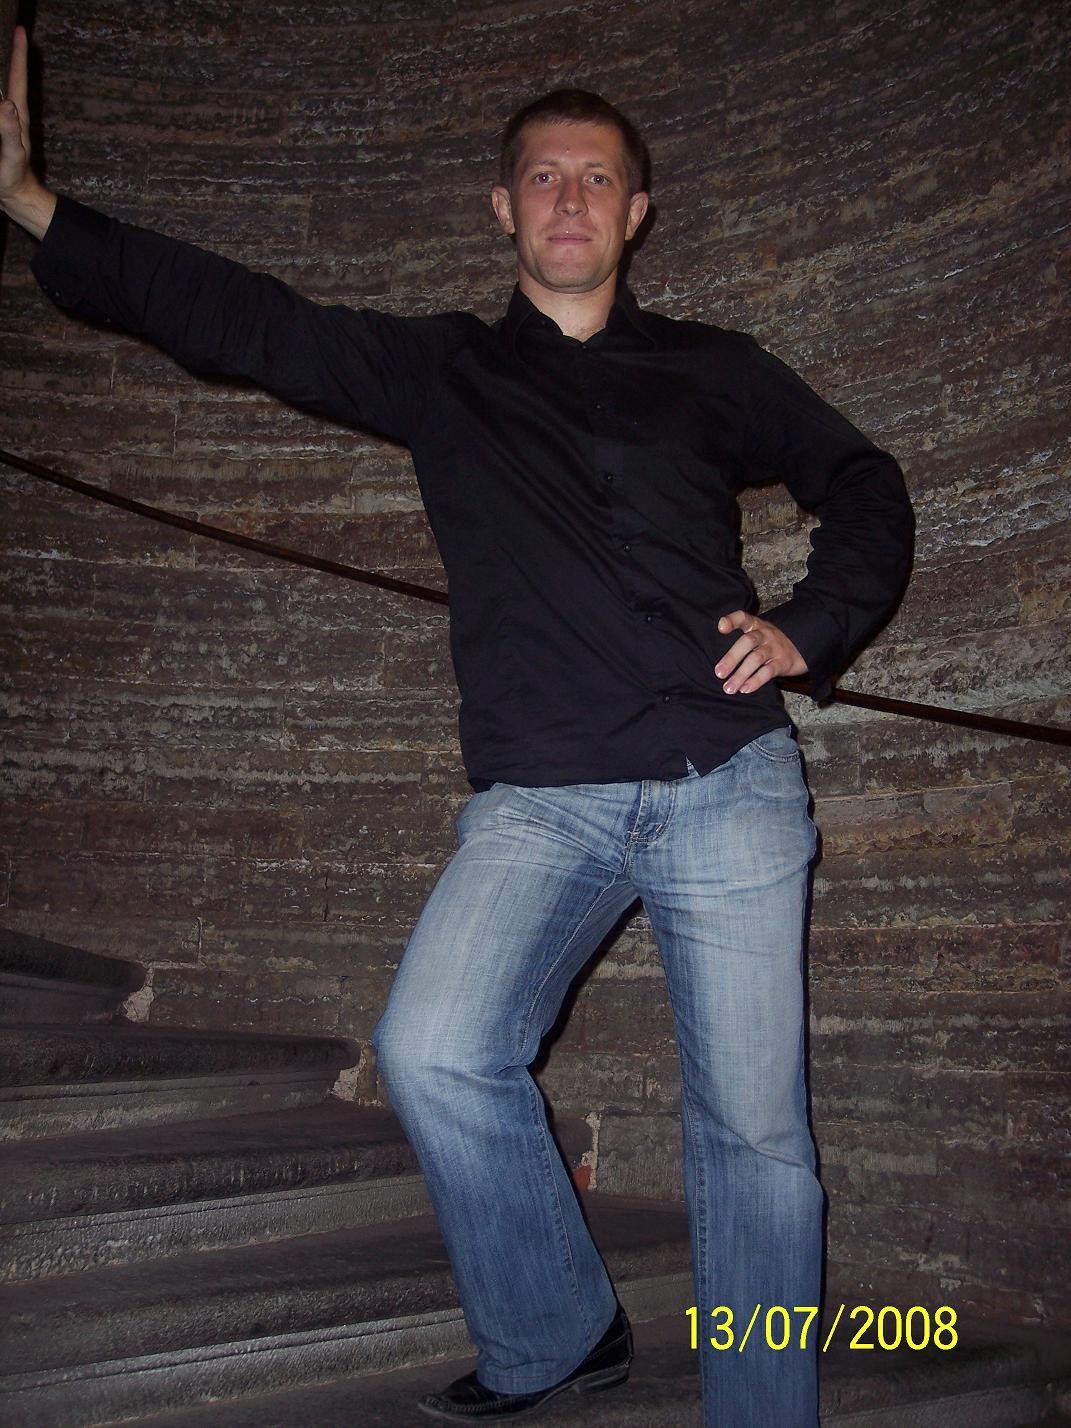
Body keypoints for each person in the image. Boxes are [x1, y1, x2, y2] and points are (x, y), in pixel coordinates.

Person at [0, 26, 914, 1426]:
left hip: (728, 778)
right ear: (503, 207)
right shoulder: (444, 374)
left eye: (595, 179)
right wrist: (32, 206)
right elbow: (246, 319)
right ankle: (556, 1331)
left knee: (757, 1143)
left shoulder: (718, 370)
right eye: (543, 177)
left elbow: (863, 481)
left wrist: (813, 622)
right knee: (433, 1049)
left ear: (636, 211)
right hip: (544, 797)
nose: (568, 198)